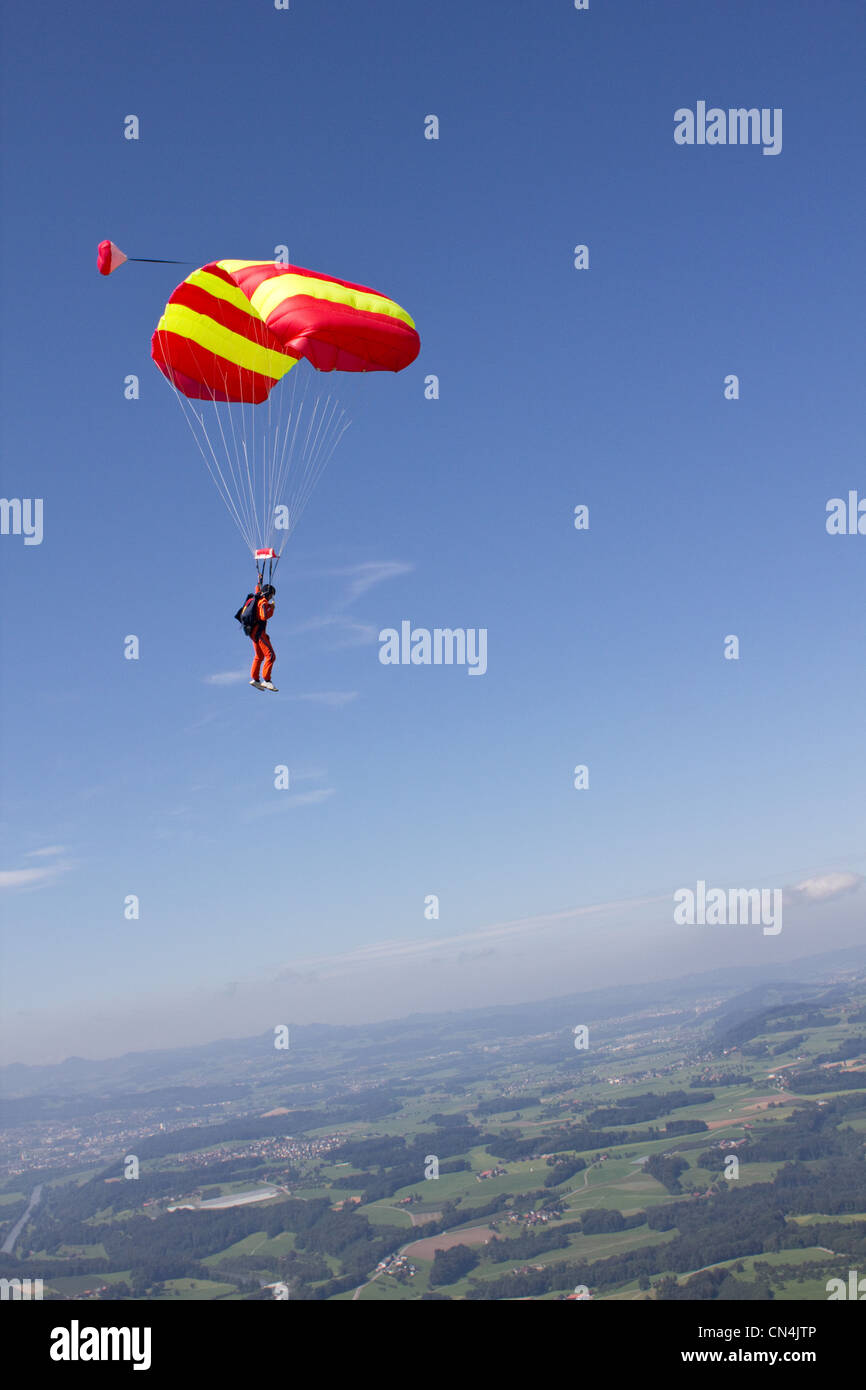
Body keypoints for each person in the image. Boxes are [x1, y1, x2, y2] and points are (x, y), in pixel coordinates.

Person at [249, 582, 278, 691]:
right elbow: (264, 616)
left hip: (253, 633)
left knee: (259, 656)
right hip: (259, 633)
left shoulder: (257, 597)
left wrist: (259, 583)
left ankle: (255, 679)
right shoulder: (263, 601)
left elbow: (258, 590)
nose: (271, 597)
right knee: (270, 656)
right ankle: (266, 680)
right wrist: (272, 608)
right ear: (268, 594)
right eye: (271, 595)